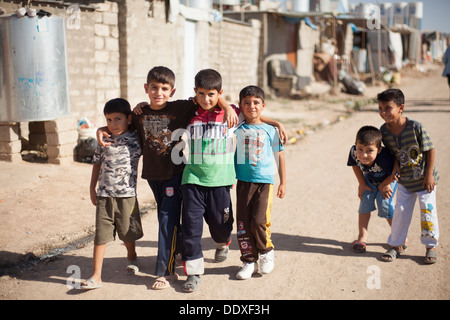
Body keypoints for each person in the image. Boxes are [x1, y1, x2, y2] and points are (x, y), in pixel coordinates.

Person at [98, 66, 238, 290]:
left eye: (164, 88)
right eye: (154, 88)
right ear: (146, 88)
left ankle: (166, 271)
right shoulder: (139, 114)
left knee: (167, 219)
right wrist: (100, 129)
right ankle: (182, 252)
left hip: (178, 175)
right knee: (175, 222)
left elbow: (209, 96)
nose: (158, 93)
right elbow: (118, 125)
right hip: (154, 176)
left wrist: (226, 106)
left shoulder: (182, 107)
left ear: (172, 91)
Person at [180, 69, 287, 292]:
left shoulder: (233, 114)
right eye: (201, 94)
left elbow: (253, 115)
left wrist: (276, 123)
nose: (206, 99)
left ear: (219, 93)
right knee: (191, 228)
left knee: (224, 225)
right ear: (195, 93)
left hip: (222, 180)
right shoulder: (188, 111)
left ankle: (227, 244)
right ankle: (194, 272)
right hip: (192, 178)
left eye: (212, 95)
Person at [81, 98, 143, 289]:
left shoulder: (136, 140)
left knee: (127, 233)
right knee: (100, 235)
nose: (113, 124)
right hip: (104, 195)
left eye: (118, 119)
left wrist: (140, 107)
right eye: (108, 120)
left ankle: (131, 256)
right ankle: (96, 276)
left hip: (127, 195)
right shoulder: (103, 140)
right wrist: (92, 188)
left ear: (128, 119)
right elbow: (97, 164)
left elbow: (145, 123)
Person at [378, 89, 440, 264]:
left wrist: (429, 175)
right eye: (380, 108)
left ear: (401, 108)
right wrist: (395, 168)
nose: (383, 112)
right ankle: (396, 245)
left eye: (387, 108)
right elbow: (394, 154)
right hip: (405, 180)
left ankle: (430, 247)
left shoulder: (414, 126)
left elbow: (430, 149)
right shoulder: (384, 131)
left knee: (428, 213)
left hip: (424, 180)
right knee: (400, 212)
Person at [234, 85, 286, 280]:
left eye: (256, 103)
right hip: (243, 181)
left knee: (258, 221)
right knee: (242, 223)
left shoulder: (270, 130)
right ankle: (248, 260)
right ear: (240, 106)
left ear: (263, 105)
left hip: (264, 182)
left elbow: (279, 156)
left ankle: (265, 252)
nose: (251, 106)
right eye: (246, 103)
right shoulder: (238, 126)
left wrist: (283, 182)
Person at [347, 125, 397, 253]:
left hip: (388, 180)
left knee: (384, 204)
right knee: (365, 200)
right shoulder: (354, 152)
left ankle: (398, 236)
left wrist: (385, 184)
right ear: (355, 145)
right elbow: (355, 165)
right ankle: (362, 237)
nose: (363, 155)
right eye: (360, 149)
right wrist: (362, 184)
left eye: (369, 151)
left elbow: (396, 172)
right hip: (369, 180)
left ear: (379, 150)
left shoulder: (384, 158)